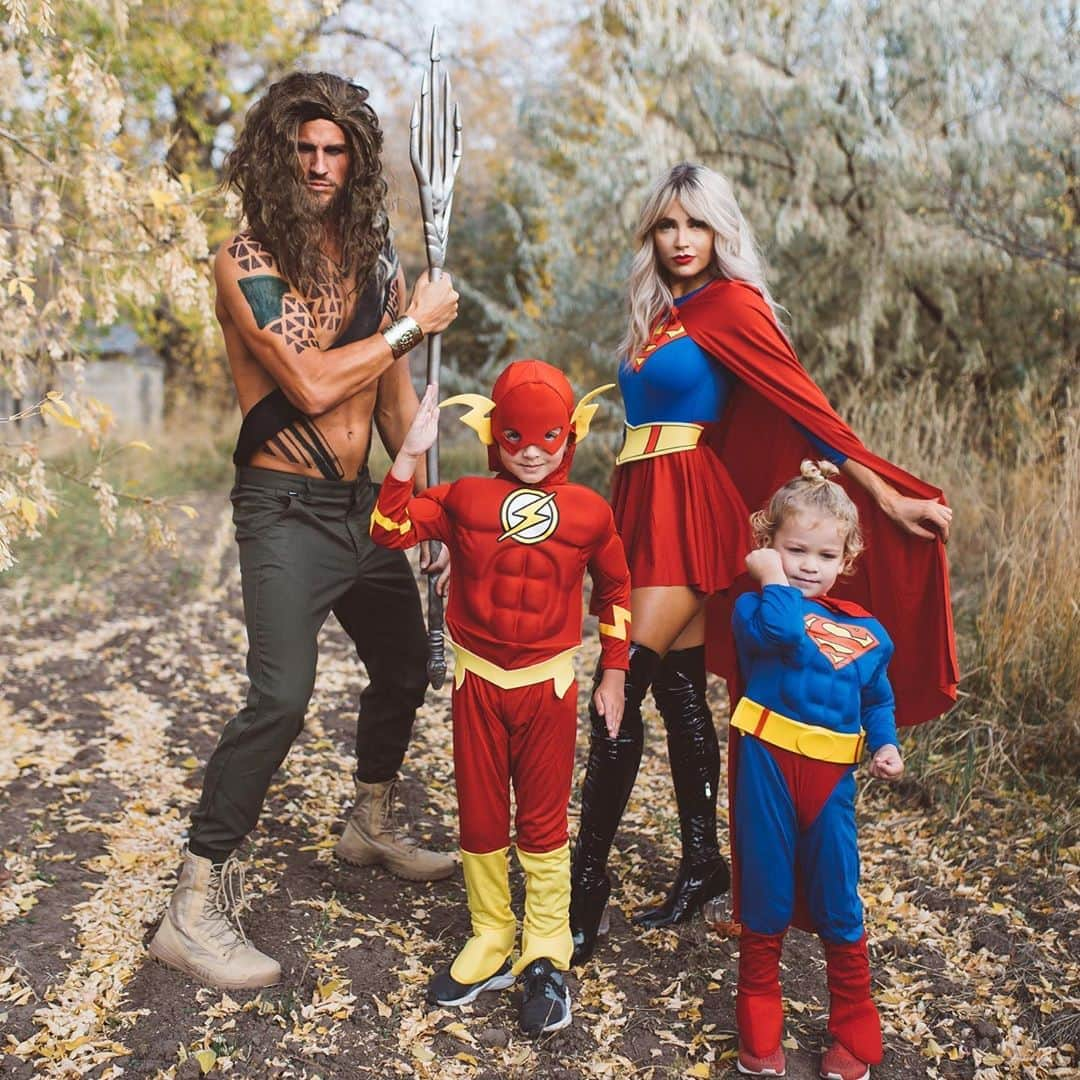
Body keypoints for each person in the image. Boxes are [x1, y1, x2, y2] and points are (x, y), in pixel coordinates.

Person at [569, 162, 957, 965]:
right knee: (677, 690)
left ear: (720, 232)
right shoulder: (663, 310)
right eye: (668, 226)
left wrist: (886, 500)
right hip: (642, 499)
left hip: (689, 510)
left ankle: (582, 890)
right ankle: (705, 860)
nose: (681, 241)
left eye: (697, 225)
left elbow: (807, 411)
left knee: (621, 682)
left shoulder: (735, 305)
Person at [149, 72, 460, 991]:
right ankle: (191, 908)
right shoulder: (244, 258)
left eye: (337, 151)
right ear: (276, 157)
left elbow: (394, 399)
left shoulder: (372, 256)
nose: (321, 166)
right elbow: (317, 385)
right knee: (280, 700)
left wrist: (427, 506)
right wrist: (413, 322)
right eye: (305, 150)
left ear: (357, 161)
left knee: (405, 667)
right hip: (281, 509)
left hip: (363, 507)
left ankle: (369, 821)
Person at [369, 362, 631, 1037]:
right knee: (481, 820)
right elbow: (388, 529)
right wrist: (408, 453)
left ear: (569, 434)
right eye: (516, 436)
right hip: (477, 678)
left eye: (547, 436)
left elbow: (616, 592)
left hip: (549, 681)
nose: (533, 450)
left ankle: (546, 951)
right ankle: (490, 936)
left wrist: (615, 672)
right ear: (495, 434)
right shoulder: (463, 500)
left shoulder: (591, 510)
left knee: (542, 825)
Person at [732, 461, 902, 1080]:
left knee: (838, 891)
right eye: (793, 549)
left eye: (824, 554)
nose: (807, 564)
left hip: (833, 781)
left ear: (846, 558)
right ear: (770, 547)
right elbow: (779, 631)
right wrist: (767, 573)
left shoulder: (868, 632)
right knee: (768, 891)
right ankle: (758, 1020)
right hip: (767, 765)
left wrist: (885, 743)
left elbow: (877, 699)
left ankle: (854, 1020)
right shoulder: (756, 610)